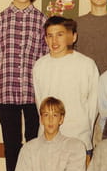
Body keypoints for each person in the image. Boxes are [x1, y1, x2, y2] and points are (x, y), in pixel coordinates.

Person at [0, 0, 48, 171]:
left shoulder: (41, 20)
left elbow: (44, 56)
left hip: (32, 91)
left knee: (34, 140)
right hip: (6, 88)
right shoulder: (1, 18)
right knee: (11, 141)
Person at [32, 16, 98, 154]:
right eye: (50, 36)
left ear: (73, 37)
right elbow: (40, 104)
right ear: (45, 39)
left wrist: (85, 132)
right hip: (48, 140)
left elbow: (94, 105)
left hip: (79, 139)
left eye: (60, 35)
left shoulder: (86, 65)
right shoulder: (40, 65)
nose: (54, 41)